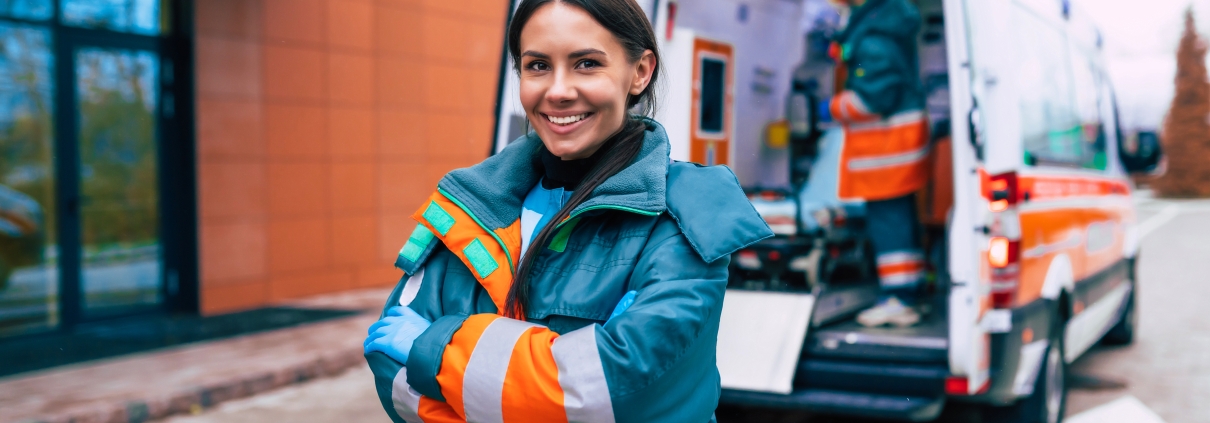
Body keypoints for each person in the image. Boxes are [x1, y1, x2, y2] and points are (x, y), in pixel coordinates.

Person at [362, 1, 772, 422]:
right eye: (537, 65)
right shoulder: (469, 204)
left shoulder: (683, 216)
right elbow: (391, 376)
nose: (557, 91)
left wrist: (436, 351)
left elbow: (623, 391)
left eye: (587, 63)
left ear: (640, 72)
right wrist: (561, 370)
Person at [826, 0, 929, 327]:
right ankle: (909, 293)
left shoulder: (874, 39)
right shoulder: (884, 27)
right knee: (898, 221)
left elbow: (872, 99)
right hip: (895, 147)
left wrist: (832, 107)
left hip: (887, 150)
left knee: (889, 224)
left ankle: (898, 299)